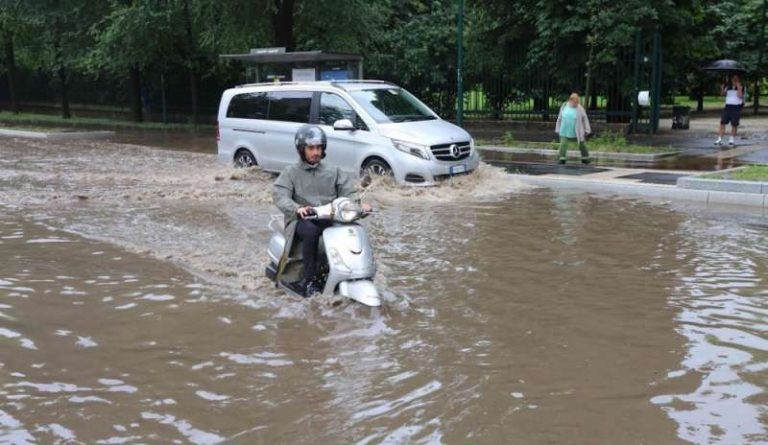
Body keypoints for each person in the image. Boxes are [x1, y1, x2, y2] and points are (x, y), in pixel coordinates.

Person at [272, 125, 372, 298]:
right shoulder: (290, 173)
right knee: (311, 231)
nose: (316, 152)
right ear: (301, 149)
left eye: (319, 147)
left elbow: (348, 192)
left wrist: (358, 206)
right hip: (301, 220)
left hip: (329, 216)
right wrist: (297, 209)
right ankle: (308, 281)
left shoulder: (334, 171)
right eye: (311, 148)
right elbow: (280, 196)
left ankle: (357, 270)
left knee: (352, 229)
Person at [554, 93, 591, 165]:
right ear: (570, 100)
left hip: (576, 131)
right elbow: (560, 118)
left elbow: (585, 119)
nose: (576, 103)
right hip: (564, 130)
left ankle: (585, 158)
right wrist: (557, 128)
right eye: (575, 102)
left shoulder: (580, 108)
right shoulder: (564, 106)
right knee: (563, 144)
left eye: (577, 102)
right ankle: (562, 159)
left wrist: (587, 129)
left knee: (582, 144)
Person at [715, 74, 745, 146]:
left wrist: (738, 87)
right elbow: (722, 94)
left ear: (738, 79)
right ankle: (719, 139)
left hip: (736, 107)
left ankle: (732, 139)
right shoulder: (728, 87)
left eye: (736, 78)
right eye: (733, 78)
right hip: (727, 106)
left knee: (734, 124)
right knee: (722, 123)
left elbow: (740, 95)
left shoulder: (741, 86)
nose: (734, 80)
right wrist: (722, 88)